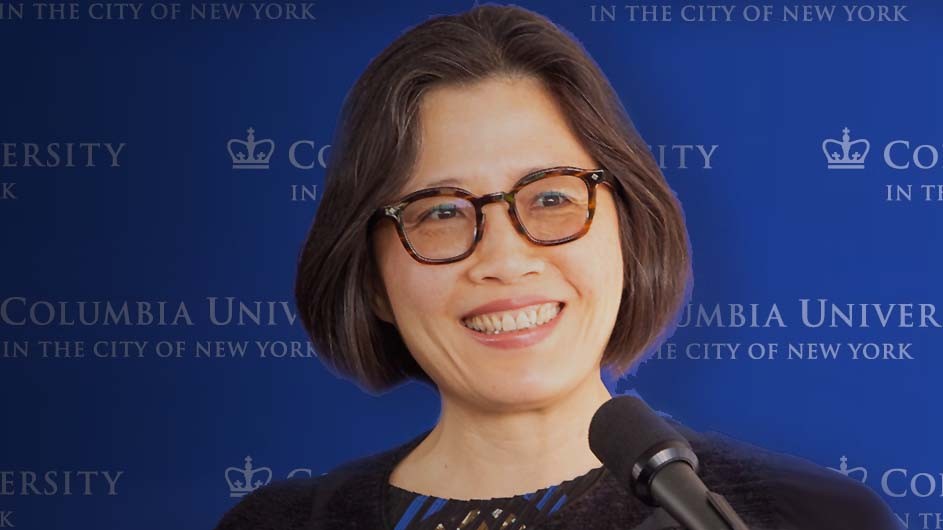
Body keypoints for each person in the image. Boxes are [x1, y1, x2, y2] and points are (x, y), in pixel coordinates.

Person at [214, 4, 901, 530]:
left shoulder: (813, 516)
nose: (505, 259)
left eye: (549, 198)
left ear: (628, 231)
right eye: (441, 212)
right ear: (372, 279)